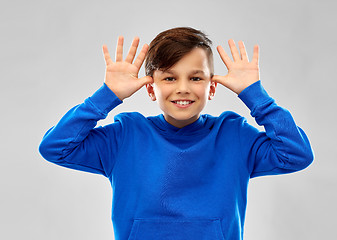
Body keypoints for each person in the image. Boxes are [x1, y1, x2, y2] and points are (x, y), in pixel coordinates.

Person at [39, 27, 313, 240]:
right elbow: (56, 147)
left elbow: (296, 154)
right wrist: (106, 96)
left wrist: (254, 94)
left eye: (195, 78)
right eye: (169, 78)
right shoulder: (125, 135)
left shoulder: (234, 135)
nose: (183, 88)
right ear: (150, 88)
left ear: (212, 87)